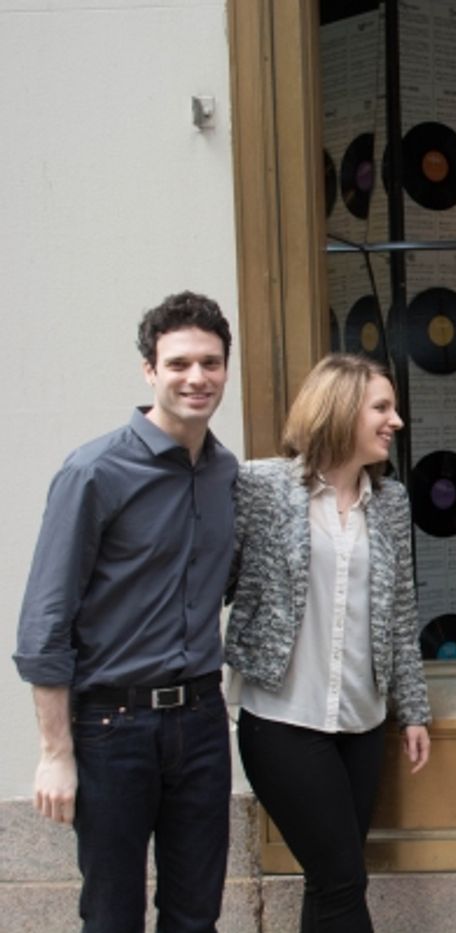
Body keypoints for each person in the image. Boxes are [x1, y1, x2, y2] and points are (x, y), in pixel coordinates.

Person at [13, 292, 237, 931]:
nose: (197, 378)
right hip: (113, 728)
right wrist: (56, 751)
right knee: (112, 916)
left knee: (196, 913)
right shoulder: (93, 471)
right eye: (179, 363)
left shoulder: (224, 474)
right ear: (149, 370)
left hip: (199, 721)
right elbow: (45, 622)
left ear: (226, 369)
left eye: (211, 363)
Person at [225, 353, 431, 931]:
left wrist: (412, 709)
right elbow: (212, 581)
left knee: (329, 880)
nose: (396, 421)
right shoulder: (261, 487)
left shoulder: (390, 502)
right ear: (341, 411)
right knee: (343, 880)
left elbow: (400, 612)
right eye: (382, 408)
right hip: (284, 721)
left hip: (362, 724)